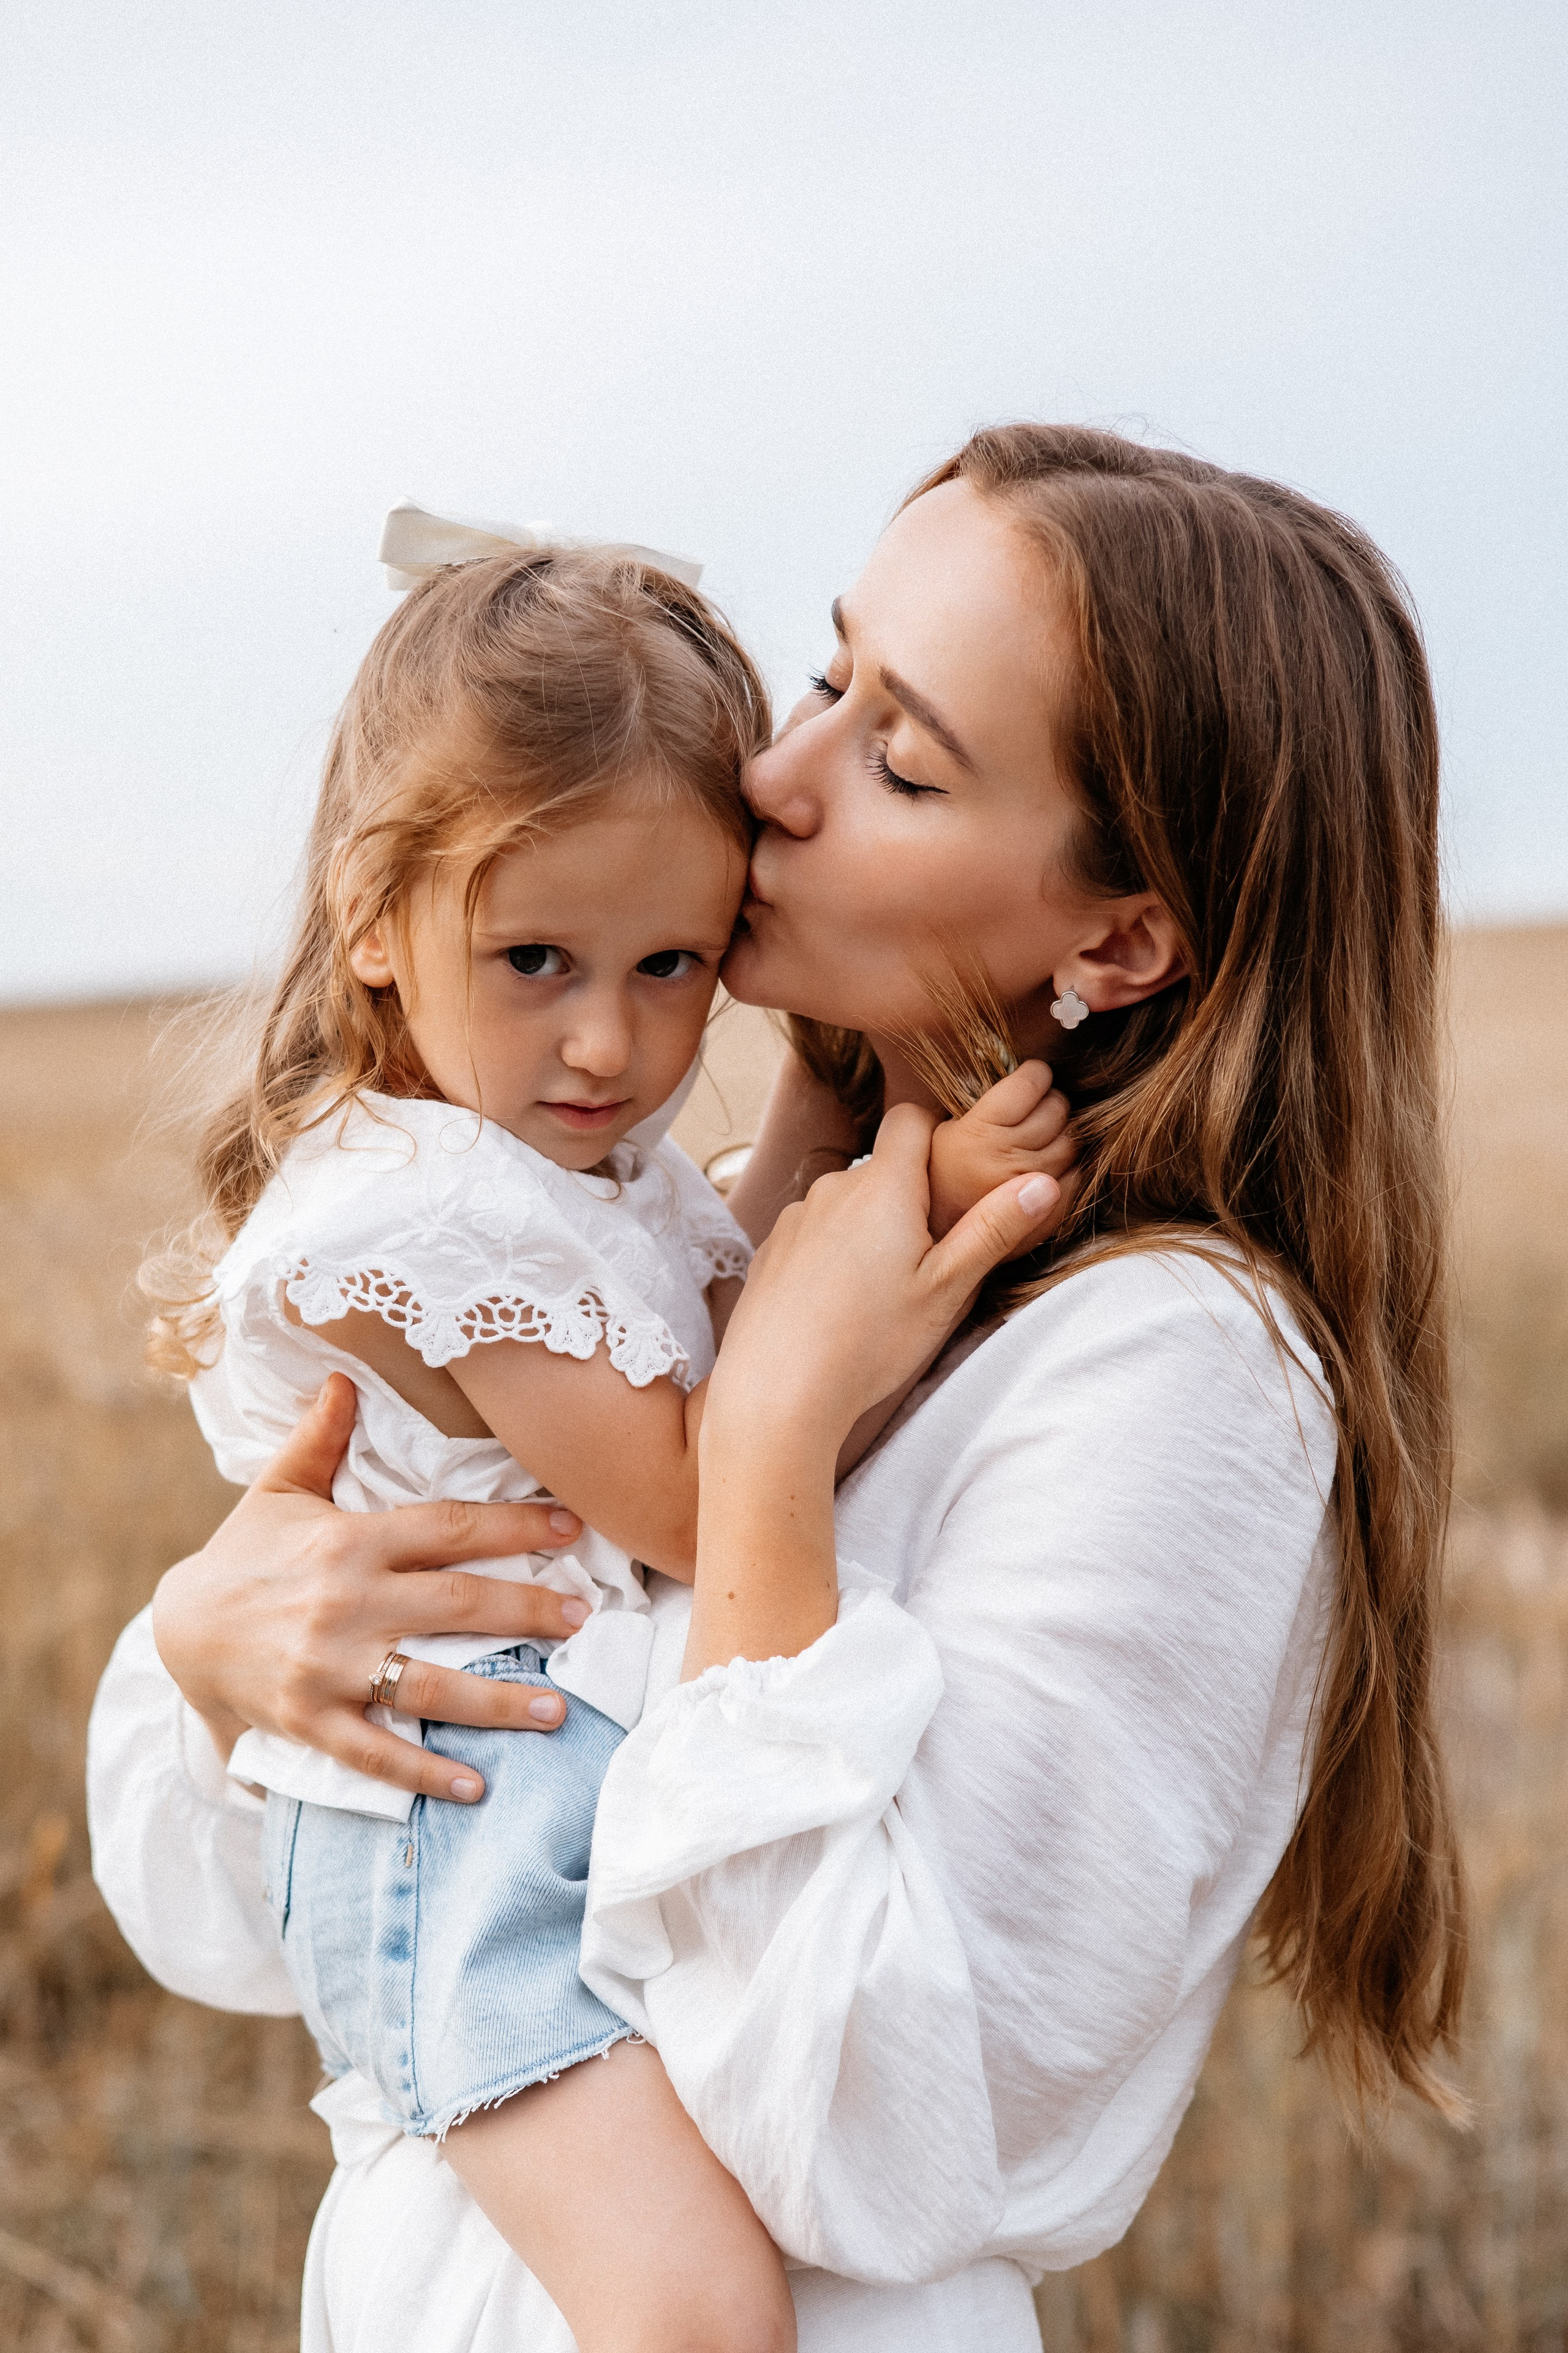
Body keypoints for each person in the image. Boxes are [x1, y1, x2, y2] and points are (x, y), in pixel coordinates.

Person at [89, 425, 1465, 2353]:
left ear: (1124, 935)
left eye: (898, 754)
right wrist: (207, 1639)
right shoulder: (717, 1226)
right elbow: (230, 1923)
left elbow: (878, 2137)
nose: (771, 776)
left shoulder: (1182, 1376)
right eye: (827, 675)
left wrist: (763, 1461)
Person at [133, 527, 1076, 2353]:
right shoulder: (424, 1227)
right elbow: (691, 1484)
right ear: (372, 918)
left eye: (675, 963)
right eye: (538, 955)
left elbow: (724, 1310)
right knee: (699, 2312)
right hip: (463, 1840)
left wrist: (821, 1096)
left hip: (548, 1789)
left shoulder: (561, 1166)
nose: (608, 1041)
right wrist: (922, 1194)